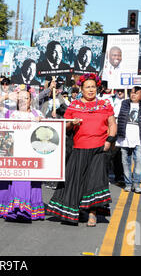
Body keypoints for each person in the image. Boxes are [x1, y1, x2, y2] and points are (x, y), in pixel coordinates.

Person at [47, 73, 116, 227]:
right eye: (87, 87)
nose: (91, 90)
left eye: (93, 87)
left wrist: (109, 140)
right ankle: (75, 212)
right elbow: (65, 126)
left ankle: (93, 214)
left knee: (95, 181)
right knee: (76, 181)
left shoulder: (105, 104)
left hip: (99, 148)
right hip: (79, 149)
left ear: (97, 88)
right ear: (81, 89)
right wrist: (73, 123)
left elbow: (112, 124)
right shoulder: (74, 106)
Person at [0, 86, 45, 222]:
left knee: (24, 179)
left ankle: (22, 208)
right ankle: (7, 207)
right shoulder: (10, 113)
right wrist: (8, 96)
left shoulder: (37, 114)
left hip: (30, 153)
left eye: (26, 98)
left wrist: (42, 121)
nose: (23, 100)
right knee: (8, 180)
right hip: (12, 151)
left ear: (31, 100)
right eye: (20, 98)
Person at [116, 86, 141, 194]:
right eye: (132, 92)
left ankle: (137, 184)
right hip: (124, 139)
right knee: (125, 162)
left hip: (138, 140)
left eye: (136, 93)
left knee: (138, 161)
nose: (133, 95)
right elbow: (116, 118)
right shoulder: (124, 104)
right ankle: (128, 184)